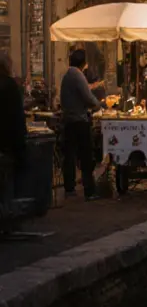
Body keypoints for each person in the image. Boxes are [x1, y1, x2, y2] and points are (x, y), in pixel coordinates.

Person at [60, 49, 101, 200]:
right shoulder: (77, 75)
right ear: (83, 63)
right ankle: (89, 191)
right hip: (79, 120)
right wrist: (99, 106)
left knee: (70, 155)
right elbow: (88, 98)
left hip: (69, 120)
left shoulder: (67, 74)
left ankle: (69, 187)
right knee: (85, 155)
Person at [0, 53, 26, 210]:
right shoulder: (9, 86)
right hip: (8, 144)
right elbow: (16, 117)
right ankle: (9, 219)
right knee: (8, 183)